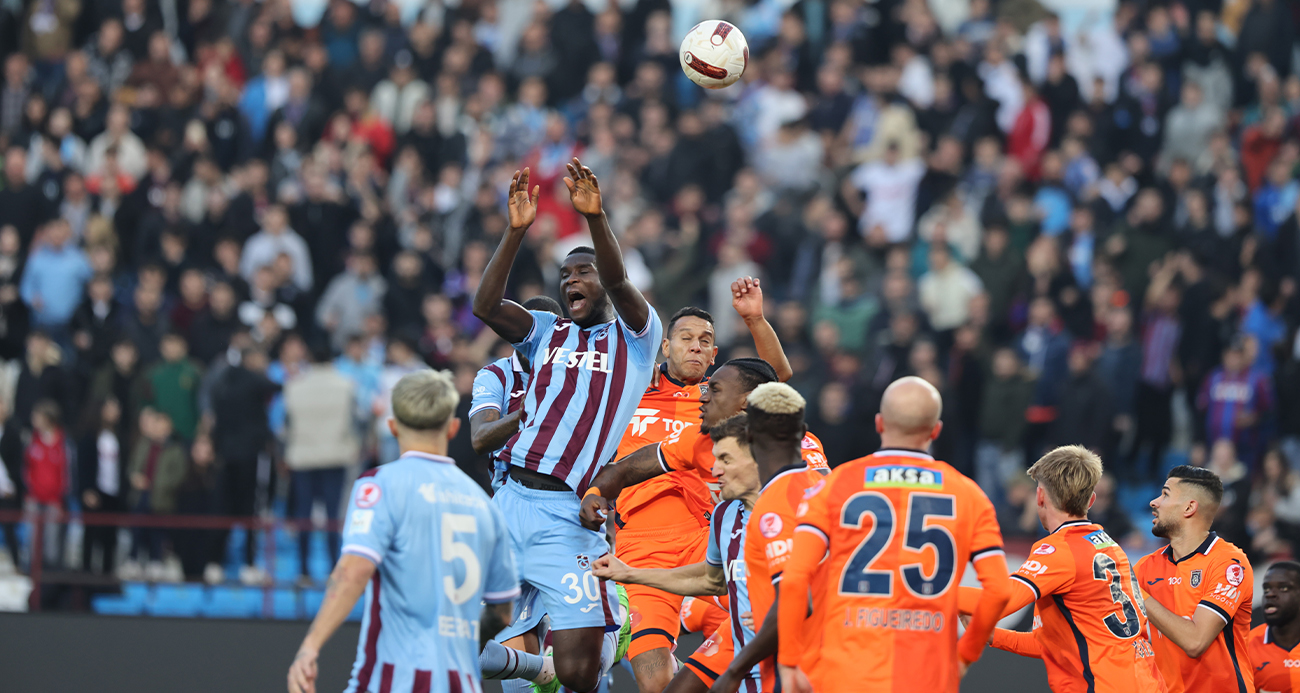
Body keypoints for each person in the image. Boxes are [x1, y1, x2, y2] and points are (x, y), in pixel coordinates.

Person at [471, 160, 660, 692]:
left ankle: (586, 646)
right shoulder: (545, 332)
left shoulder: (636, 341)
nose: (572, 279)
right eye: (565, 275)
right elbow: (484, 305)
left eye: (584, 272)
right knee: (456, 631)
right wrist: (514, 233)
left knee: (580, 675)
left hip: (568, 517)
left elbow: (620, 279)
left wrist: (596, 221)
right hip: (509, 502)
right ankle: (536, 667)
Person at [600, 276, 794, 693]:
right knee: (654, 681)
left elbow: (774, 382)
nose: (696, 346)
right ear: (665, 347)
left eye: (706, 340)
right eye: (685, 338)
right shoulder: (631, 389)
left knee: (752, 629)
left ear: (714, 354)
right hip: (641, 542)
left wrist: (756, 319)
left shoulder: (718, 398)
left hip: (706, 537)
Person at [286, 370, 520, 693]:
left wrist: (310, 646)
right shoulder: (484, 505)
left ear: (393, 427)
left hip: (394, 680)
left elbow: (354, 569)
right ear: (453, 428)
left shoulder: (380, 486)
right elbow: (502, 610)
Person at [776, 376, 1011, 693]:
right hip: (928, 676)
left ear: (879, 423)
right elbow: (998, 590)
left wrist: (788, 660)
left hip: (844, 673)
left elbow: (794, 578)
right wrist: (965, 655)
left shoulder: (836, 485)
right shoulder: (969, 495)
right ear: (936, 430)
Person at [968, 446, 1163, 693]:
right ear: (1091, 500)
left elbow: (1003, 599)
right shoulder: (1109, 545)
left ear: (1039, 497)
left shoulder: (1058, 549)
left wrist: (935, 595)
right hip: (1146, 681)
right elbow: (1049, 644)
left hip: (1104, 684)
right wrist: (992, 635)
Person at [708, 383, 828, 693]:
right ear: (802, 432)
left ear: (749, 436)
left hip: (799, 670)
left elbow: (798, 600)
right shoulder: (823, 487)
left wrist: (734, 671)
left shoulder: (774, 504)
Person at [1137, 465, 1253, 693]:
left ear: (1190, 507)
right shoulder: (1145, 568)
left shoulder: (1229, 563)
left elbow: (1196, 642)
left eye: (1165, 494)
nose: (1154, 502)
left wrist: (1136, 593)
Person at [283, 342, 360, 586]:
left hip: (302, 456)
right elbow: (356, 419)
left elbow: (287, 423)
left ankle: (303, 571)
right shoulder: (346, 384)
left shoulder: (294, 386)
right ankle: (333, 570)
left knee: (303, 514)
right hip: (335, 455)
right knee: (332, 515)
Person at [469, 295, 563, 492]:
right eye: (532, 332)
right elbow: (479, 439)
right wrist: (523, 414)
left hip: (566, 494)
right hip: (512, 494)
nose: (538, 341)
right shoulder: (496, 375)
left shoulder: (577, 372)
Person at [78, 396, 126, 576]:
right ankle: (87, 572)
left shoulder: (118, 437)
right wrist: (86, 489)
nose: (116, 412)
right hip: (94, 491)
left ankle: (107, 574)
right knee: (90, 534)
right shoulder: (90, 436)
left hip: (112, 493)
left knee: (109, 537)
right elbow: (83, 465)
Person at [24, 399, 69, 570]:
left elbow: (67, 472)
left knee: (52, 545)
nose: (33, 419)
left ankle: (51, 579)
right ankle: (32, 577)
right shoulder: (32, 440)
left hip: (54, 501)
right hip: (34, 498)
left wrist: (61, 496)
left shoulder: (63, 442)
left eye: (37, 416)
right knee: (32, 542)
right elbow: (26, 468)